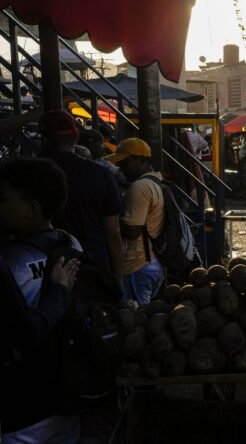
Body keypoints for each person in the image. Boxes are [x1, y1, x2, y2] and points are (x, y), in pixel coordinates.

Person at [0, 158, 83, 443]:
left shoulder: (11, 261)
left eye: (3, 200)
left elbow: (23, 334)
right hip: (68, 396)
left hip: (21, 407)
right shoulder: (71, 244)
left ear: (31, 209)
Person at [38, 110, 125, 283]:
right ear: (76, 138)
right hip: (94, 267)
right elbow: (113, 233)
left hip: (45, 267)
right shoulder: (101, 174)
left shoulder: (29, 173)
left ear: (45, 138)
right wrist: (118, 282)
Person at [104, 138, 166, 305]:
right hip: (152, 262)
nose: (121, 168)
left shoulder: (139, 187)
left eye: (125, 162)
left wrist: (108, 220)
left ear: (141, 160)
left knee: (134, 320)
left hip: (138, 265)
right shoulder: (156, 182)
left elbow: (133, 230)